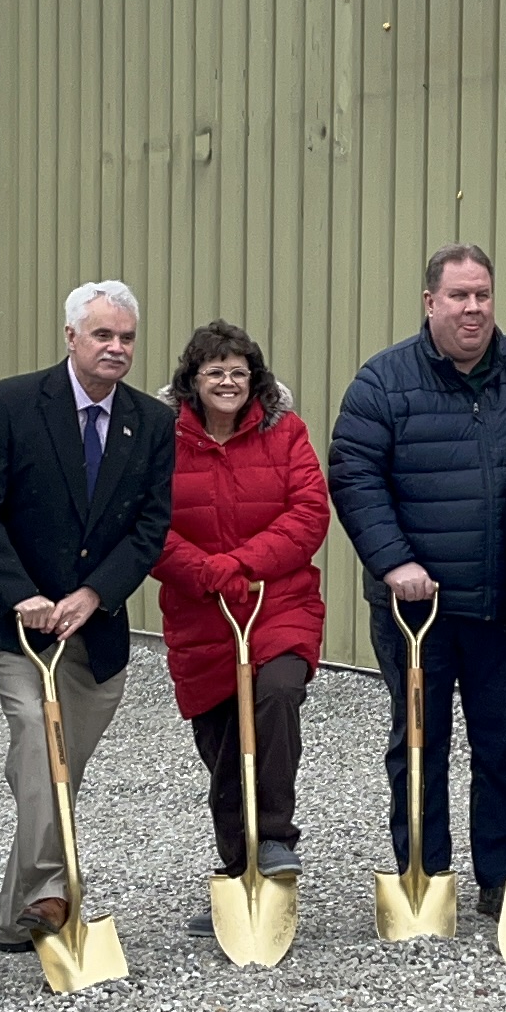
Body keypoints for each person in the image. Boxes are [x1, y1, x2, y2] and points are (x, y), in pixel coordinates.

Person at [328, 245, 506, 917]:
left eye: (483, 295)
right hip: (418, 610)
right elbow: (354, 477)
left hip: (503, 603)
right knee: (418, 740)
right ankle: (423, 872)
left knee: (502, 743)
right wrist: (394, 561)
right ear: (430, 301)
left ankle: (502, 876)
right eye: (459, 296)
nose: (473, 309)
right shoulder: (383, 383)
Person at [0, 280, 177, 951]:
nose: (116, 348)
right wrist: (24, 593)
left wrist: (94, 595)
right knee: (37, 734)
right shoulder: (12, 403)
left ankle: (16, 919)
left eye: (127, 338)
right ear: (72, 338)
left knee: (56, 765)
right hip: (13, 620)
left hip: (95, 628)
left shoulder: (153, 421)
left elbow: (150, 526)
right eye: (103, 335)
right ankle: (52, 889)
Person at [149, 322, 330, 913]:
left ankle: (274, 835)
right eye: (214, 372)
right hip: (201, 610)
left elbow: (308, 514)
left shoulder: (286, 433)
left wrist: (241, 563)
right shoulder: (160, 440)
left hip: (275, 599)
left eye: (238, 372)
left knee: (277, 692)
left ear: (255, 380)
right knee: (226, 742)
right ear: (192, 381)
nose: (227, 383)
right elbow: (146, 525)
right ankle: (239, 873)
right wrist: (206, 573)